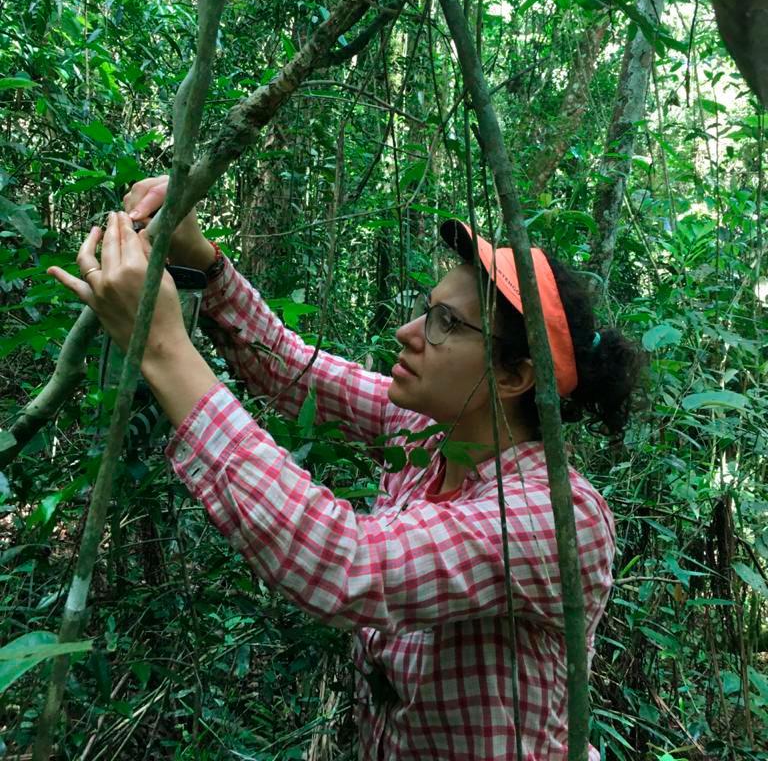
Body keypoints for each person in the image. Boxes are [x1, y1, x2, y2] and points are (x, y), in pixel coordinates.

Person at [48, 177, 644, 761]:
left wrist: (163, 348)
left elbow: (347, 564)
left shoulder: (555, 516)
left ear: (515, 376)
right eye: (426, 310)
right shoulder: (427, 432)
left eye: (446, 324)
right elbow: (290, 370)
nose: (407, 333)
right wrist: (200, 257)